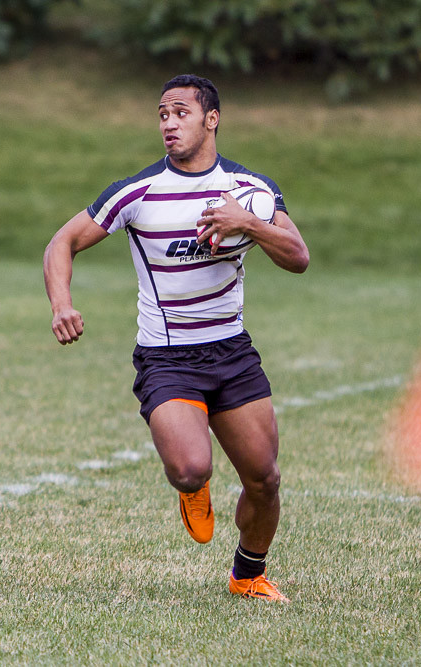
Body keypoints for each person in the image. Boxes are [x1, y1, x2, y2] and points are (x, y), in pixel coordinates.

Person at [43, 74, 309, 602]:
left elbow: (298, 257)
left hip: (232, 353)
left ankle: (248, 575)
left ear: (212, 119)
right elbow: (62, 241)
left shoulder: (252, 191)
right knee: (190, 469)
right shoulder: (137, 193)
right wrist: (61, 304)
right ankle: (194, 487)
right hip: (167, 358)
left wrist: (247, 223)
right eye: (163, 114)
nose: (169, 123)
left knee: (265, 480)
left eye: (181, 113)